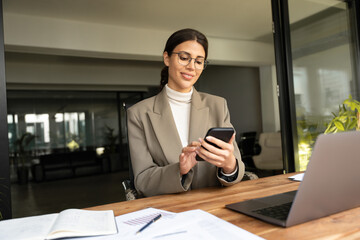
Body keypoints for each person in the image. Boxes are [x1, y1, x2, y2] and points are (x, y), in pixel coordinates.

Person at [127, 28, 245, 197]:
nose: (191, 67)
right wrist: (179, 170)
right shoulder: (139, 114)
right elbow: (142, 180)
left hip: (215, 207)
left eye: (199, 61)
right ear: (167, 58)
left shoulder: (218, 105)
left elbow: (237, 170)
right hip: (169, 211)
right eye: (184, 58)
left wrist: (229, 164)